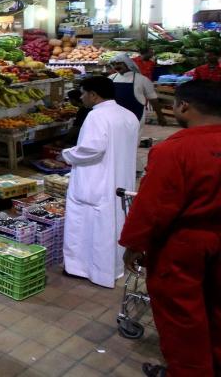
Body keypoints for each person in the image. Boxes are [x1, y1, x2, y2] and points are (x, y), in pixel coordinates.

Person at [119, 80, 221, 377]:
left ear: (184, 106)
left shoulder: (174, 150)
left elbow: (154, 207)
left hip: (183, 246)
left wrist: (134, 245)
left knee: (182, 317)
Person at [61, 75, 140, 288]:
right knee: (114, 224)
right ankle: (112, 267)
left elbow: (92, 149)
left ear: (93, 95)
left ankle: (84, 269)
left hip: (97, 181)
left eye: (83, 93)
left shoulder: (96, 116)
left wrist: (67, 154)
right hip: (119, 179)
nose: (81, 98)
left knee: (88, 226)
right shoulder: (128, 115)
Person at [110, 53, 167, 125]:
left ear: (127, 63)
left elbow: (153, 100)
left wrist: (160, 116)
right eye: (113, 64)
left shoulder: (142, 80)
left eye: (119, 64)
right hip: (115, 117)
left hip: (136, 117)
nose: (116, 66)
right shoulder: (111, 78)